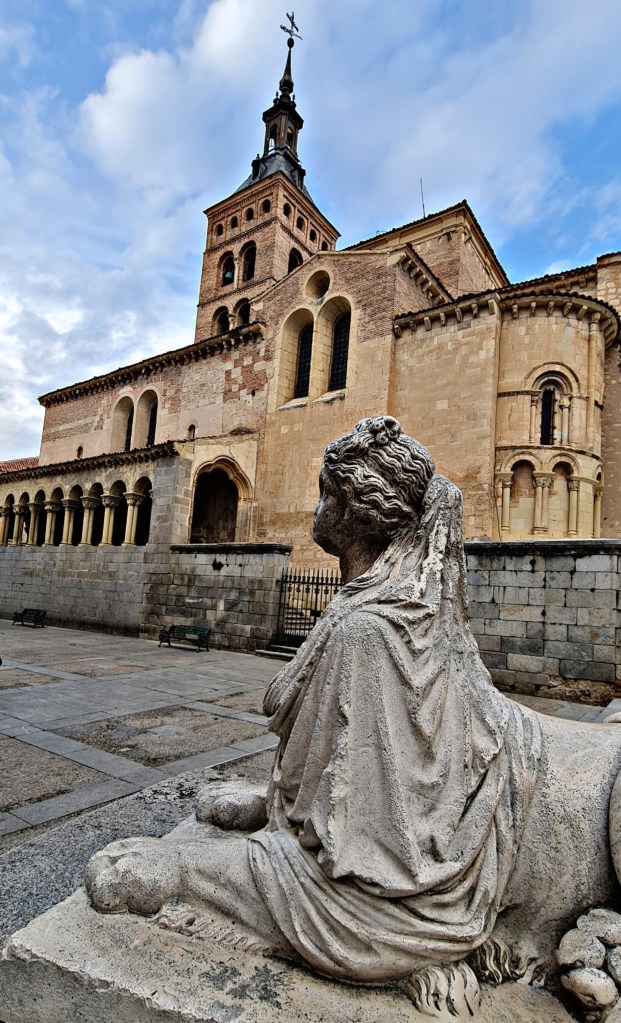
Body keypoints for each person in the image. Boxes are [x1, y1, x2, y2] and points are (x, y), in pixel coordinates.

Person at [86, 416, 541, 990]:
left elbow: (361, 877)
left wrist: (182, 869)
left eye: (324, 492)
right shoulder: (392, 604)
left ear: (353, 508)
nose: (316, 507)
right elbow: (365, 773)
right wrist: (275, 804)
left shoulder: (370, 632)